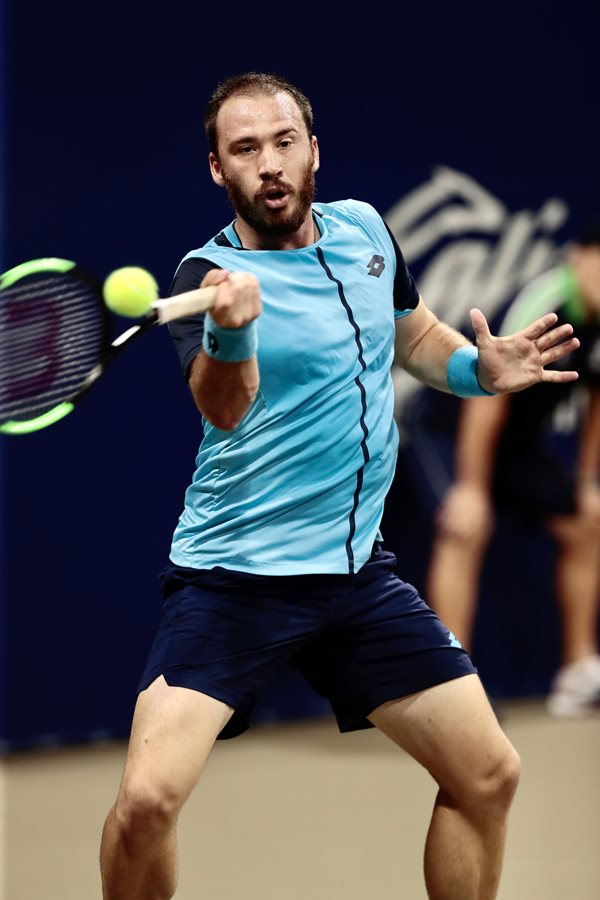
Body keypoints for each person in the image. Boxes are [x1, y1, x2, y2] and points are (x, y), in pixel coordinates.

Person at [99, 72, 579, 900]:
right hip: (232, 583)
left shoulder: (364, 231)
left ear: (313, 150)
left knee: (489, 774)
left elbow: (416, 340)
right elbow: (224, 409)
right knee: (146, 804)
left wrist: (479, 370)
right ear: (218, 169)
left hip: (356, 578)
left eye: (284, 142)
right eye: (245, 149)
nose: (269, 164)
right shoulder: (207, 274)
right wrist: (231, 330)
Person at [418, 220, 600, 718]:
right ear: (578, 256)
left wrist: (587, 481)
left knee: (587, 522)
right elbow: (489, 396)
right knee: (465, 529)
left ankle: (577, 672)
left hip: (517, 445)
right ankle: (453, 686)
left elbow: (597, 400)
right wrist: (472, 489)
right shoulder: (546, 301)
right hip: (451, 425)